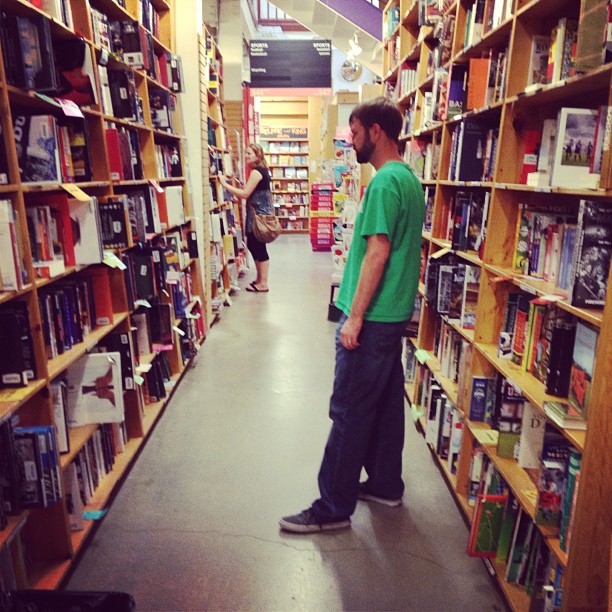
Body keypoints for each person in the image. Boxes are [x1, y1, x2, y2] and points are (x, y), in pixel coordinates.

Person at [280, 97, 425, 533]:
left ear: (376, 131)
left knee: (348, 410)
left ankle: (332, 507)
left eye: (355, 132)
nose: (351, 140)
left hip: (374, 315)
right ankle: (385, 484)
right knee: (383, 406)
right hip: (394, 314)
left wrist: (355, 316)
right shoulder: (408, 179)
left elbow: (377, 252)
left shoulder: (383, 184)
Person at [220, 143, 272, 292]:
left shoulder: (257, 172)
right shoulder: (261, 171)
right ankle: (260, 279)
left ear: (258, 156)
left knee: (258, 247)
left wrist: (225, 184)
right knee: (254, 245)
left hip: (258, 216)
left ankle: (263, 283)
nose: (247, 156)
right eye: (246, 153)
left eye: (250, 153)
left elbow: (244, 193)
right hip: (257, 214)